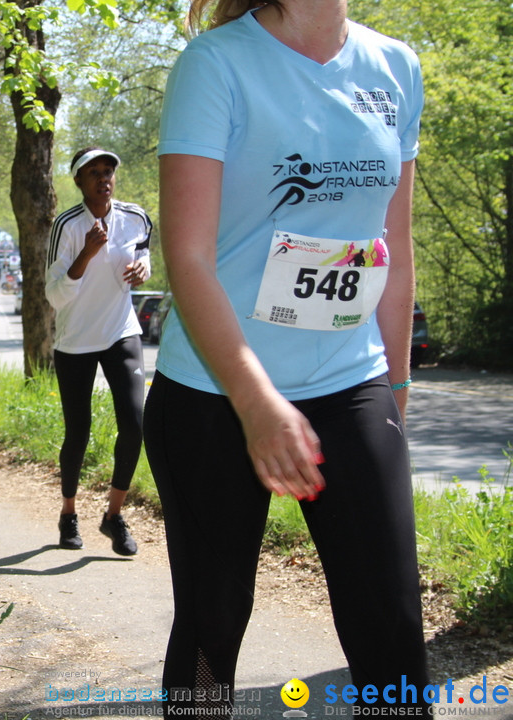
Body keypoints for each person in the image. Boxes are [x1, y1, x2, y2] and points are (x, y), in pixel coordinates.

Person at [147, 0, 428, 715]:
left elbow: (393, 251)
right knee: (212, 627)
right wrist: (255, 400)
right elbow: (187, 255)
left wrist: (394, 386)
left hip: (349, 381)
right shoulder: (215, 64)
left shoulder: (394, 66)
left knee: (391, 629)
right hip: (216, 393)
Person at [45, 147, 151, 557]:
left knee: (136, 424)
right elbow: (53, 296)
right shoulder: (67, 226)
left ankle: (113, 515)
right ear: (78, 181)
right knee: (78, 432)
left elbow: (142, 256)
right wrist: (87, 253)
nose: (104, 178)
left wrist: (144, 268)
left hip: (121, 331)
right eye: (94, 173)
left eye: (109, 171)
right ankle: (68, 513)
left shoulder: (136, 217)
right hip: (75, 340)